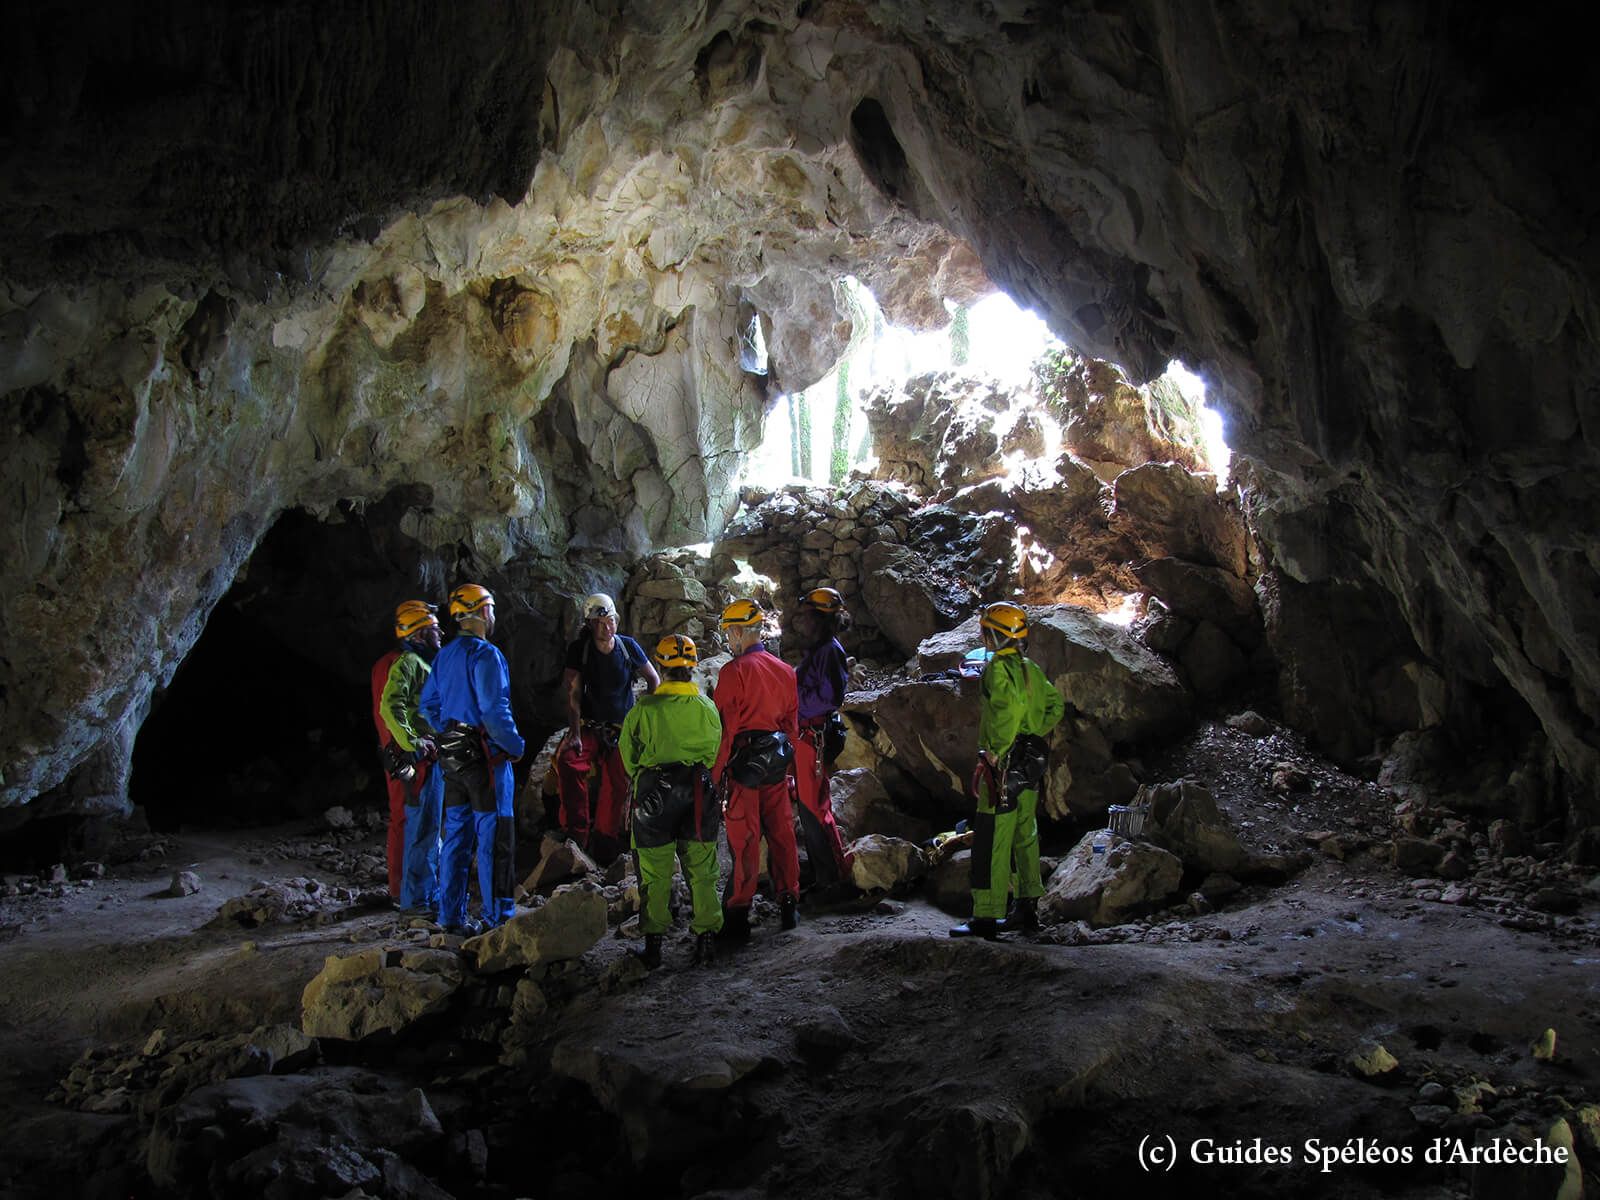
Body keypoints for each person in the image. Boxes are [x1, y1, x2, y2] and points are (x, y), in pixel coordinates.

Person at [951, 602, 1065, 940]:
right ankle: (1027, 907)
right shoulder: (1030, 668)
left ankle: (986, 915)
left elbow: (1008, 710)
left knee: (992, 837)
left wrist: (996, 753)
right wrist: (1032, 733)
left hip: (1002, 768)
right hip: (1027, 765)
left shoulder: (997, 670)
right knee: (1025, 833)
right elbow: (1055, 705)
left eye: (986, 631)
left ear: (995, 635)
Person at [419, 583, 525, 934]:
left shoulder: (445, 655)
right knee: (494, 838)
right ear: (481, 613)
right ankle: (498, 919)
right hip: (485, 758)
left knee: (456, 838)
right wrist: (514, 745)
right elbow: (494, 710)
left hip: (452, 759)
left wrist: (448, 731)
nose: (493, 616)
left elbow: (428, 705)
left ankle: (450, 917)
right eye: (491, 609)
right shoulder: (485, 655)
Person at [619, 634, 724, 969]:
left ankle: (654, 948)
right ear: (692, 667)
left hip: (654, 797)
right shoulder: (707, 707)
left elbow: (628, 757)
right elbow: (713, 752)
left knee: (654, 872)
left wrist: (643, 777)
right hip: (697, 793)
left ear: (661, 666)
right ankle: (707, 941)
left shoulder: (643, 710)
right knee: (703, 868)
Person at [712, 598, 802, 941]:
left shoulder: (732, 673)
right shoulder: (785, 670)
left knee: (745, 838)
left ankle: (738, 913)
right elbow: (791, 727)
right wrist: (785, 767)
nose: (729, 640)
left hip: (744, 769)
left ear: (736, 632)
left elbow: (725, 732)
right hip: (776, 766)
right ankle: (789, 900)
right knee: (782, 832)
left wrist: (715, 775)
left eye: (729, 633)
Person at [556, 592, 659, 861]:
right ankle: (577, 833)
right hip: (590, 726)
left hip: (620, 727)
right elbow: (573, 692)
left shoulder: (627, 647)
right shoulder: (581, 650)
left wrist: (643, 717)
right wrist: (575, 733)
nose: (607, 627)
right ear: (590, 624)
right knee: (569, 761)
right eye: (600, 623)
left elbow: (653, 680)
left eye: (611, 621)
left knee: (617, 778)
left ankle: (605, 840)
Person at [378, 600, 444, 914]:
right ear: (417, 635)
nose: (440, 632)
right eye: (433, 629)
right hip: (418, 761)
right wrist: (412, 740)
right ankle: (414, 900)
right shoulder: (408, 663)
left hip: (431, 758)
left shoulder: (427, 664)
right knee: (419, 828)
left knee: (429, 827)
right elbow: (390, 707)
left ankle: (424, 894)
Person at [789, 587, 855, 894]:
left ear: (819, 618)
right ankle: (822, 874)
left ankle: (832, 878)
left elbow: (828, 697)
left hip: (812, 737)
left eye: (806, 616)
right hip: (806, 737)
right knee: (809, 805)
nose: (801, 622)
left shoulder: (829, 651)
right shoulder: (821, 649)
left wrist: (791, 700)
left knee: (814, 807)